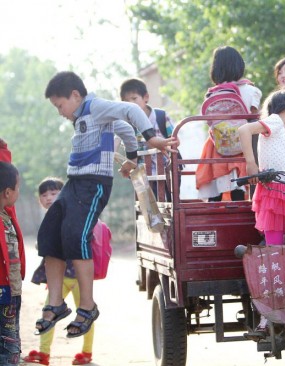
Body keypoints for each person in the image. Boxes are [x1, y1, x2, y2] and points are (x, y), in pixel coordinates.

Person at [35, 71, 178, 339]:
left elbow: (130, 110)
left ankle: (87, 307)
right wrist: (131, 157)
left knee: (76, 236)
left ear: (75, 96)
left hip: (93, 184)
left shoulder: (96, 106)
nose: (60, 113)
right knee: (49, 233)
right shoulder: (82, 117)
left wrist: (150, 138)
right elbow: (122, 128)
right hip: (74, 183)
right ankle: (56, 303)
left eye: (60, 106)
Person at [24, 178, 98, 365]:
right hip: (59, 280)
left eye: (53, 193)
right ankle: (44, 353)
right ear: (39, 200)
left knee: (85, 314)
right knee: (49, 313)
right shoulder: (49, 219)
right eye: (44, 194)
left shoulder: (75, 215)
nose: (49, 197)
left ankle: (86, 353)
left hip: (79, 278)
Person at [195, 46, 262, 202]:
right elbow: (254, 118)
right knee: (242, 196)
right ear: (239, 66)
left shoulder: (211, 94)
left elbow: (206, 120)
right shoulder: (252, 91)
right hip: (244, 150)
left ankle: (214, 212)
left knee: (216, 195)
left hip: (218, 149)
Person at [238, 90, 285, 246]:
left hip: (280, 185)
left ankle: (278, 263)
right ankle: (279, 264)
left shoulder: (274, 125)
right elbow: (243, 130)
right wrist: (251, 164)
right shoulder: (275, 121)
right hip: (279, 186)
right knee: (279, 235)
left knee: (280, 235)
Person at [120, 78, 176, 199]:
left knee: (171, 203)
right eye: (126, 101)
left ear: (146, 97)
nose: (131, 104)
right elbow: (125, 147)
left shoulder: (161, 116)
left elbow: (175, 140)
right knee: (150, 207)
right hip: (143, 175)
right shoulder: (126, 125)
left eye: (134, 99)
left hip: (167, 170)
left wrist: (160, 144)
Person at [0, 160, 24, 366]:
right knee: (8, 347)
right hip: (4, 292)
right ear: (8, 192)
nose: (19, 192)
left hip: (12, 292)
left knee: (11, 339)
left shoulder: (7, 215)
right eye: (18, 188)